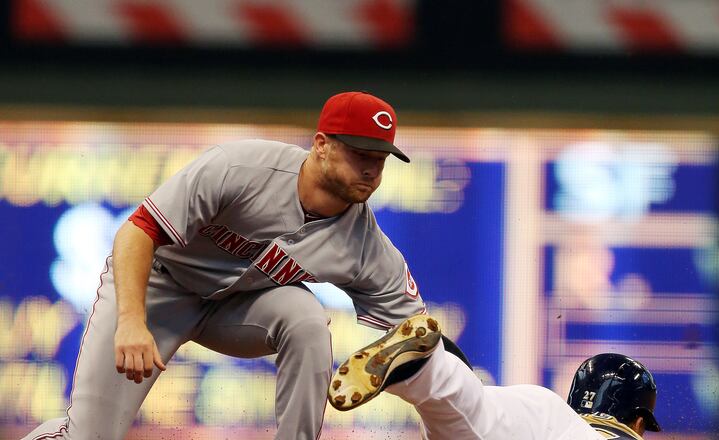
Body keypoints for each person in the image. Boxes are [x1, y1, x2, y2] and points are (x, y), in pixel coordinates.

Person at [24, 91, 426, 440]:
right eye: (359, 154)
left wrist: (453, 406)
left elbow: (418, 334)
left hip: (237, 307)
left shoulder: (366, 244)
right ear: (321, 144)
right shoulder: (243, 168)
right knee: (88, 435)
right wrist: (131, 319)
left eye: (380, 158)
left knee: (306, 318)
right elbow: (137, 231)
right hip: (157, 288)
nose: (371, 169)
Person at [329, 314, 661, 440]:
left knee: (476, 414)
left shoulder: (548, 409)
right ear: (639, 423)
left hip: (542, 422)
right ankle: (430, 370)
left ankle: (429, 370)